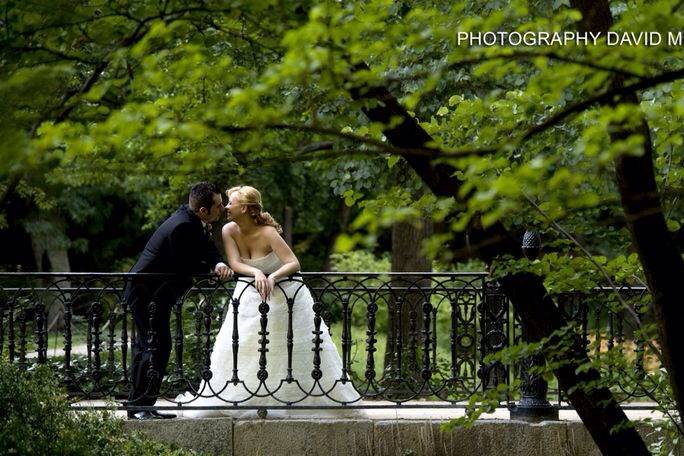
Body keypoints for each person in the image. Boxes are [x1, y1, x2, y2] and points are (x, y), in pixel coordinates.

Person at [176, 185, 361, 418]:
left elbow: (293, 263)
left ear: (244, 208)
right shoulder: (228, 230)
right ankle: (246, 397)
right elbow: (234, 263)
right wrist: (256, 273)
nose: (225, 207)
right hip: (250, 295)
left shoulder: (268, 233)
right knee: (244, 346)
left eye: (230, 203)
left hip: (286, 296)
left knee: (291, 349)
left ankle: (294, 398)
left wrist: (272, 276)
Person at [126, 182, 232, 420]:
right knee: (152, 347)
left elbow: (206, 248)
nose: (222, 207)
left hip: (155, 293)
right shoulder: (183, 226)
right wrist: (211, 272)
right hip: (146, 294)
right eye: (217, 204)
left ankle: (144, 405)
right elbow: (187, 264)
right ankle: (138, 408)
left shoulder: (192, 219)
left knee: (157, 346)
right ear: (203, 210)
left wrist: (217, 263)